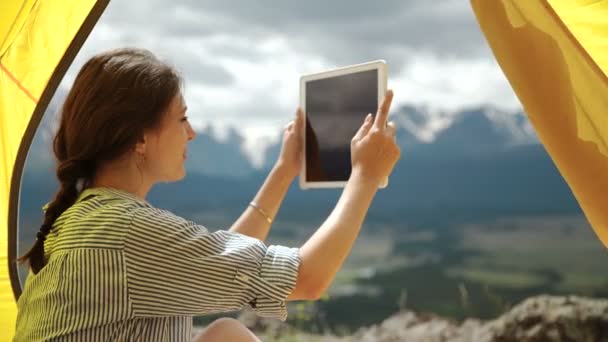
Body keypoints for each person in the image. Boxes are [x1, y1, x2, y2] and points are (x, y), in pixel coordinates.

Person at [14, 47, 400, 341]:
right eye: (182, 118)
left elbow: (225, 260)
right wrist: (364, 177)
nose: (192, 132)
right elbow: (308, 279)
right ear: (140, 139)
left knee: (224, 335)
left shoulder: (84, 218)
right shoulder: (129, 231)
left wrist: (284, 170)